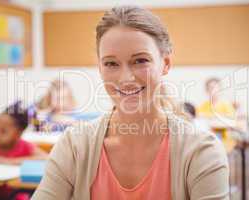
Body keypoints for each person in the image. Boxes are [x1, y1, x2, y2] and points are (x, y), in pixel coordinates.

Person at [32, 6, 229, 200]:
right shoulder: (74, 146)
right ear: (100, 67)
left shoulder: (201, 151)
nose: (126, 78)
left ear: (166, 63)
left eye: (140, 61)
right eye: (111, 63)